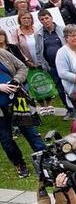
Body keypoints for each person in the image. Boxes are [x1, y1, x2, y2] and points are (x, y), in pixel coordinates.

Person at [0, 43, 45, 178]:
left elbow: (22, 67)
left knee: (31, 132)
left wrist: (16, 81)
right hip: (0, 111)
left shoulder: (2, 53)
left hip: (17, 101)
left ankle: (44, 159)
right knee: (6, 140)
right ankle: (19, 164)